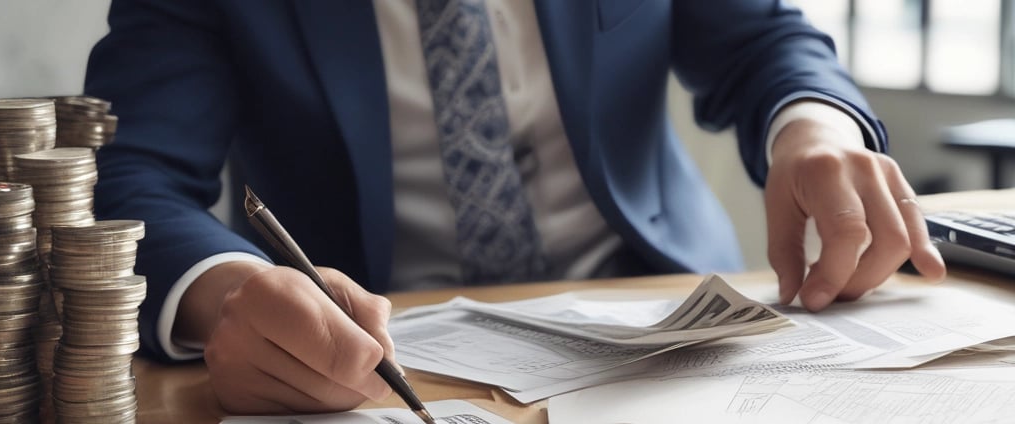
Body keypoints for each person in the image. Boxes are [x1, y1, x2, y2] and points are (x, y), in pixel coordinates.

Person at [85, 0, 946, 414]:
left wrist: (814, 127)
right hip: (379, 358)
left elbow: (765, 40)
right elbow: (130, 177)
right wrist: (230, 291)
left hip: (659, 319)